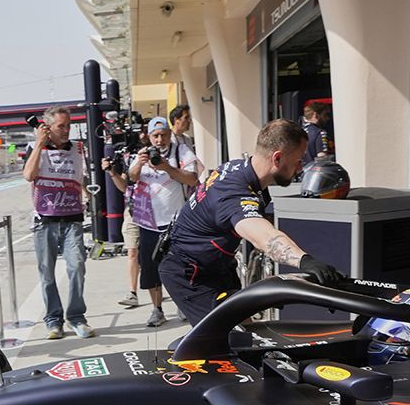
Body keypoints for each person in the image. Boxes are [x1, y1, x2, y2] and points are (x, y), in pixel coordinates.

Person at [161, 119, 350, 326]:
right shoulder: (234, 194)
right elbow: (262, 236)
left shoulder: (240, 169)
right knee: (225, 340)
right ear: (277, 158)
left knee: (247, 330)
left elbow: (261, 221)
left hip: (217, 265)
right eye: (298, 160)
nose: (300, 168)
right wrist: (306, 262)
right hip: (191, 272)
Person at [110, 116, 201, 327]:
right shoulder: (142, 154)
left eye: (163, 135)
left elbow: (193, 179)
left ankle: (182, 303)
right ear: (149, 137)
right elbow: (131, 179)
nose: (159, 140)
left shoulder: (181, 151)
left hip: (177, 221)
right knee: (151, 268)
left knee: (182, 266)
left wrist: (168, 168)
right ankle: (157, 309)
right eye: (155, 136)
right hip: (148, 221)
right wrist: (139, 165)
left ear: (170, 134)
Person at [23, 105, 93, 339]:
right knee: (47, 273)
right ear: (47, 128)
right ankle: (54, 319)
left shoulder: (77, 149)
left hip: (72, 218)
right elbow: (28, 175)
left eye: (68, 125)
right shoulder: (36, 148)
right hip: (45, 220)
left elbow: (78, 176)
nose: (66, 130)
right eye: (60, 126)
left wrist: (86, 191)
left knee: (77, 266)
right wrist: (40, 144)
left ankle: (76, 317)